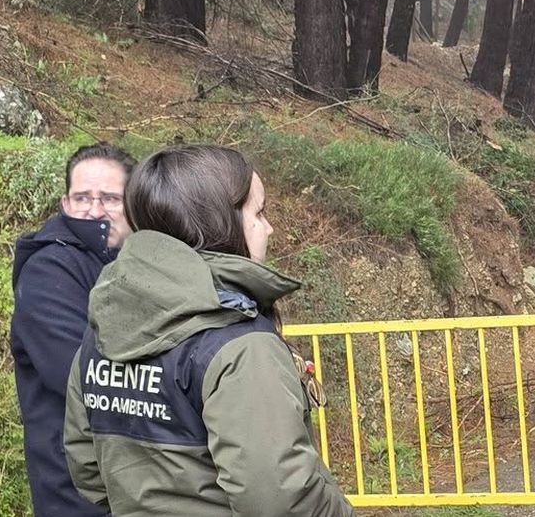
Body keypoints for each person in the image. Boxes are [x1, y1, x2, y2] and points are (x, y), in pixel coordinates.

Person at [63, 144, 354, 517]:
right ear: (220, 222)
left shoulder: (104, 330)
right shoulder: (240, 345)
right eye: (258, 212)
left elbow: (88, 469)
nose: (269, 227)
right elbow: (280, 500)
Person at [11, 142, 135, 517]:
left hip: (134, 487)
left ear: (134, 206)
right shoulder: (50, 271)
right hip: (76, 493)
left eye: (110, 199)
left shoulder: (134, 266)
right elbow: (84, 376)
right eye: (83, 198)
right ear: (65, 204)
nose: (95, 211)